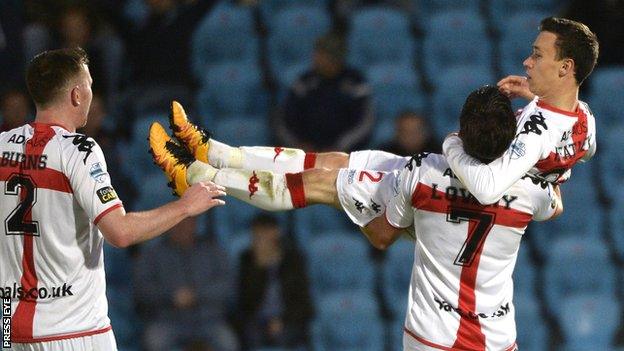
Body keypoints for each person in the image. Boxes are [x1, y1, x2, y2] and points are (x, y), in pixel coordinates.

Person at [153, 86, 562, 350]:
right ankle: (215, 153)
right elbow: (555, 198)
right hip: (495, 340)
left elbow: (382, 237)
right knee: (334, 163)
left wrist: (350, 206)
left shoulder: (425, 170)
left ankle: (199, 173)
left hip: (433, 337)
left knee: (322, 182)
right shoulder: (530, 191)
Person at [0, 48, 225, 350]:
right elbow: (120, 231)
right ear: (77, 95)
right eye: (90, 85)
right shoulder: (77, 150)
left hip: (9, 330)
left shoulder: (2, 145)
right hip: (73, 330)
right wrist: (185, 206)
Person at [444, 17, 599, 205]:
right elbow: (587, 151)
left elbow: (486, 191)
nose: (527, 62)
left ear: (565, 67)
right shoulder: (585, 116)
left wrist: (452, 143)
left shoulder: (533, 136)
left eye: (537, 55)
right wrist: (535, 95)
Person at [134, 217, 238, 351]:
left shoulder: (213, 250)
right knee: (154, 341)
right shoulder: (152, 254)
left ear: (195, 225)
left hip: (209, 320)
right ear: (169, 225)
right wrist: (171, 296)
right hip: (168, 320)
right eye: (177, 224)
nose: (182, 228)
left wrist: (197, 295)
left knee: (229, 343)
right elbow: (142, 289)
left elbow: (227, 284)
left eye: (187, 223)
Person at [276, 31, 374, 152]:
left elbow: (364, 122)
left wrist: (339, 147)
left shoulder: (355, 82)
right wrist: (299, 145)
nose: (315, 58)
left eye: (321, 54)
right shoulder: (304, 81)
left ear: (335, 58)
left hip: (343, 152)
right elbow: (286, 118)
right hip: (305, 150)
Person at [236, 214, 313, 350]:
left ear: (275, 234)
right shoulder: (247, 260)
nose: (258, 241)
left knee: (286, 336)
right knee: (250, 335)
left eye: (262, 236)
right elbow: (245, 302)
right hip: (257, 320)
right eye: (256, 237)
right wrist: (259, 270)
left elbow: (302, 301)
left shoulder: (293, 260)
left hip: (288, 319)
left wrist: (282, 320)